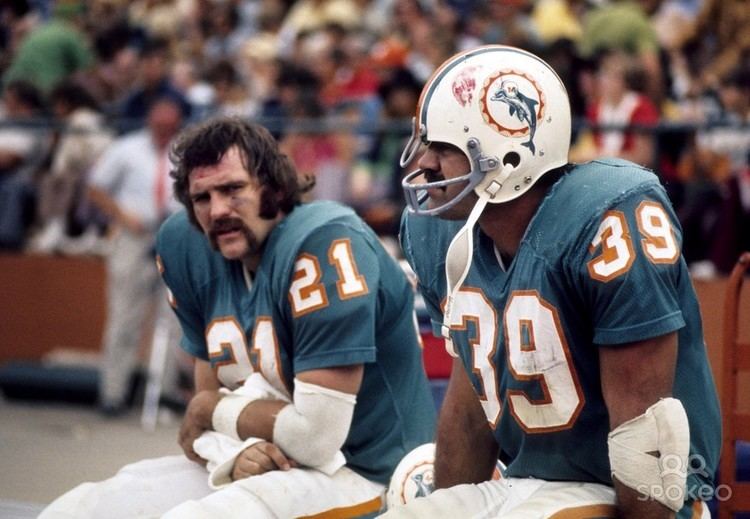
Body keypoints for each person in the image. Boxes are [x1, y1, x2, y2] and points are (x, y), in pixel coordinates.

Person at [383, 44, 721, 518]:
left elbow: (646, 430)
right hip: (530, 486)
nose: (426, 165)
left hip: (631, 495)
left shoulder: (605, 216)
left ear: (509, 154)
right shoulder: (441, 236)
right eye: (424, 144)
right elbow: (472, 400)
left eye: (443, 146)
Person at [40, 116, 436, 518]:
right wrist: (239, 443)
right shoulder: (186, 244)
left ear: (275, 187)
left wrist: (210, 411)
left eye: (232, 189)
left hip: (368, 472)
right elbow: (201, 432)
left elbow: (314, 436)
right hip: (263, 456)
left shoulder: (324, 243)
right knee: (83, 508)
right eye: (202, 198)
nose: (217, 211)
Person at [87, 95, 185, 415]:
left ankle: (165, 391)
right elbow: (96, 187)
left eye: (169, 126)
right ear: (149, 121)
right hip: (133, 235)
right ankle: (113, 392)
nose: (163, 130)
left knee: (174, 318)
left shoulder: (186, 150)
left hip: (174, 237)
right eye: (159, 124)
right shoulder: (126, 148)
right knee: (124, 316)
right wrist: (120, 215)